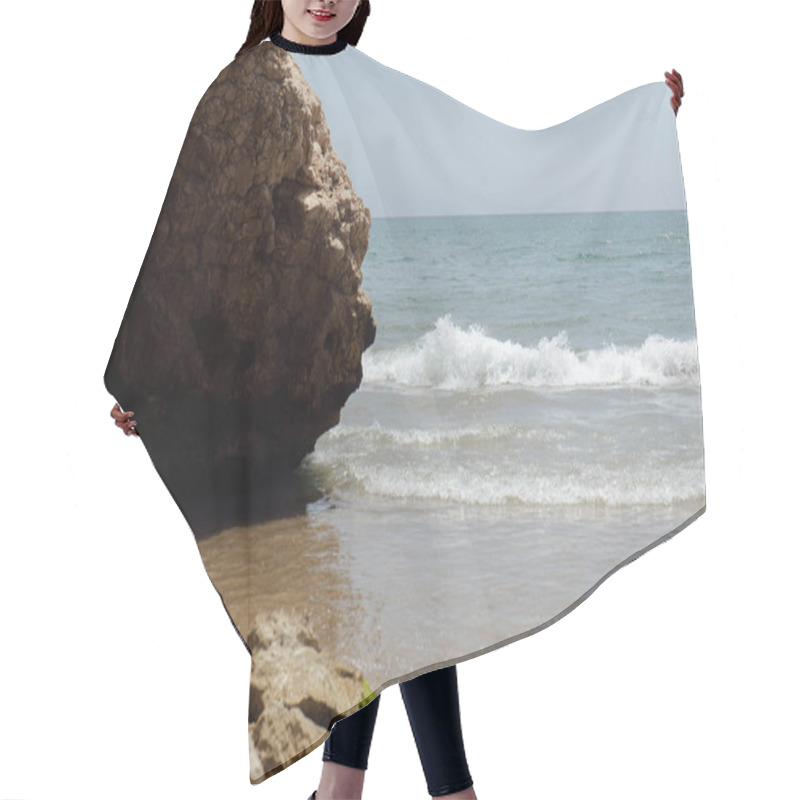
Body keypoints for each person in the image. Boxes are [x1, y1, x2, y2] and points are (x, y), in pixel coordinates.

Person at [110, 2, 685, 798]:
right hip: (298, 388)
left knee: (395, 591)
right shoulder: (245, 87)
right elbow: (187, 246)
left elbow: (488, 160)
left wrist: (639, 121)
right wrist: (149, 378)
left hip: (381, 392)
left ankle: (347, 790)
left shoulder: (377, 88)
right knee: (380, 595)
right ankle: (428, 792)